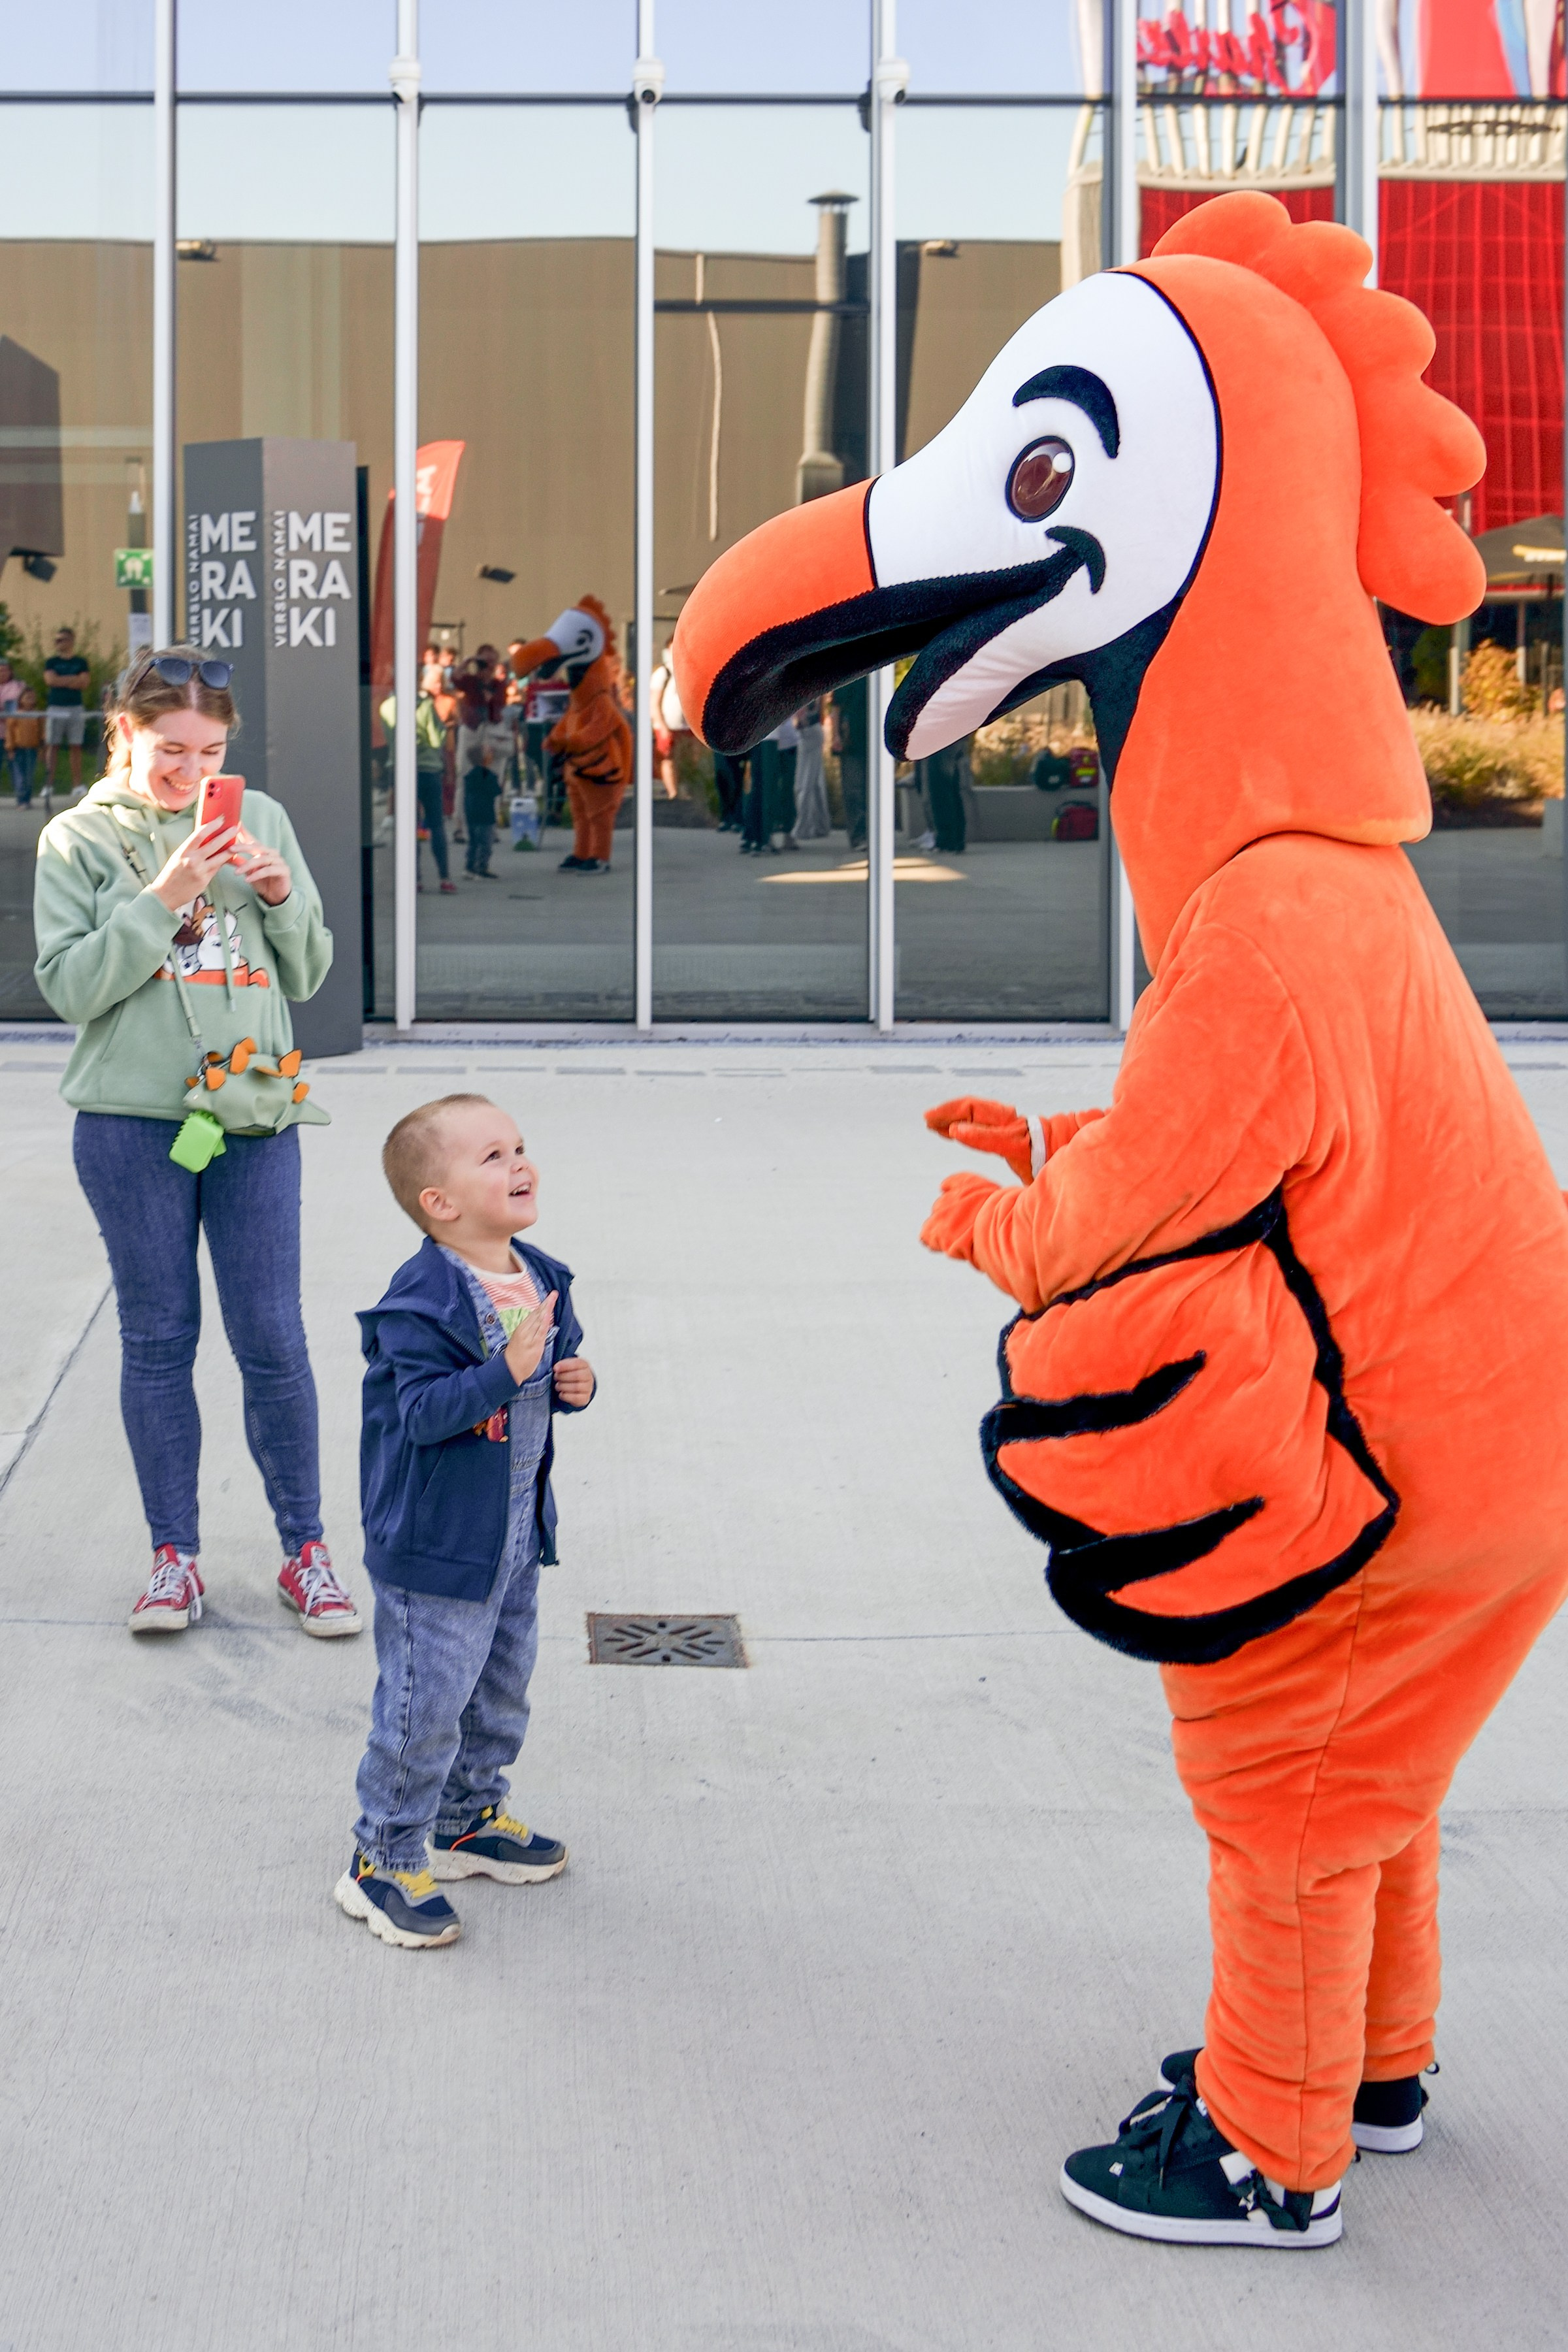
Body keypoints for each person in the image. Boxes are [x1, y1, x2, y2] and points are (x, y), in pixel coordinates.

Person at [30, 645, 360, 1639]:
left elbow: (308, 974)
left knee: (272, 1338)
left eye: (211, 752)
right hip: (133, 1126)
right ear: (124, 734)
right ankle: (174, 1560)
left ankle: (306, 1552)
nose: (191, 773)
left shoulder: (260, 820)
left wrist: (276, 896)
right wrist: (165, 894)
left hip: (255, 1113)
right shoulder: (77, 841)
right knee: (160, 1339)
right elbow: (70, 988)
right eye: (171, 749)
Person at [336, 1093, 596, 1950]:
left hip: (512, 1532)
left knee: (499, 1686)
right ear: (438, 1204)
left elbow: (561, 1360)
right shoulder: (421, 1304)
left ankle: (465, 1818)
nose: (519, 1163)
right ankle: (383, 1858)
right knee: (425, 1706)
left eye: (519, 1146)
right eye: (491, 1157)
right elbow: (420, 1414)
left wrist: (573, 1380)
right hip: (435, 1546)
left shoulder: (542, 1275)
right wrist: (505, 1368)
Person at [511, 598, 632, 875]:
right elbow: (572, 717)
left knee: (599, 815)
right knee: (580, 814)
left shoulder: (601, 698)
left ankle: (600, 856)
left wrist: (568, 742)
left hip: (600, 768)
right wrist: (557, 736)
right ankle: (581, 852)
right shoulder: (580, 698)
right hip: (578, 768)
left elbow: (598, 729)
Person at [380, 689, 455, 894]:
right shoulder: (424, 706)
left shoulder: (386, 706)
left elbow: (388, 736)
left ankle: (414, 879)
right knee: (436, 824)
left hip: (400, 769)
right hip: (428, 769)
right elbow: (434, 739)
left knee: (408, 827)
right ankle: (444, 877)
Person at [42, 625, 91, 804]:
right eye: (56, 640)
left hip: (75, 707)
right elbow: (50, 680)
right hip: (55, 707)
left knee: (75, 745)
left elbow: (84, 682)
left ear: (70, 641)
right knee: (52, 745)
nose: (58, 643)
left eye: (61, 640)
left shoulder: (81, 662)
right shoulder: (51, 662)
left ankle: (77, 785)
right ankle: (48, 784)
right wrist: (73, 680)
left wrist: (61, 680)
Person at [919, 738, 968, 854]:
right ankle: (955, 840)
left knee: (941, 791)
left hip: (942, 740)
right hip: (953, 736)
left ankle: (946, 841)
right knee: (950, 790)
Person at [791, 698, 830, 840]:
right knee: (815, 784)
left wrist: (802, 718)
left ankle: (803, 828)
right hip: (811, 732)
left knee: (804, 785)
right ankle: (821, 825)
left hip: (809, 733)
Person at [463, 751, 502, 876]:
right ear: (485, 759)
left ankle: (470, 866)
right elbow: (496, 791)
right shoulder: (490, 776)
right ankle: (482, 866)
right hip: (486, 814)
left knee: (473, 842)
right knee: (485, 843)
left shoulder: (470, 776)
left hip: (471, 813)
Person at [7, 686, 42, 807]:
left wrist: (41, 748)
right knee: (20, 776)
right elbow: (10, 733)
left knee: (29, 776)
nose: (30, 700)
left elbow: (41, 733)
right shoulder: (16, 715)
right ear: (21, 700)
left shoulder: (37, 715)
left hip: (32, 749)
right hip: (18, 749)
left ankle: (27, 800)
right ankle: (21, 800)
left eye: (32, 698)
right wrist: (10, 748)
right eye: (27, 698)